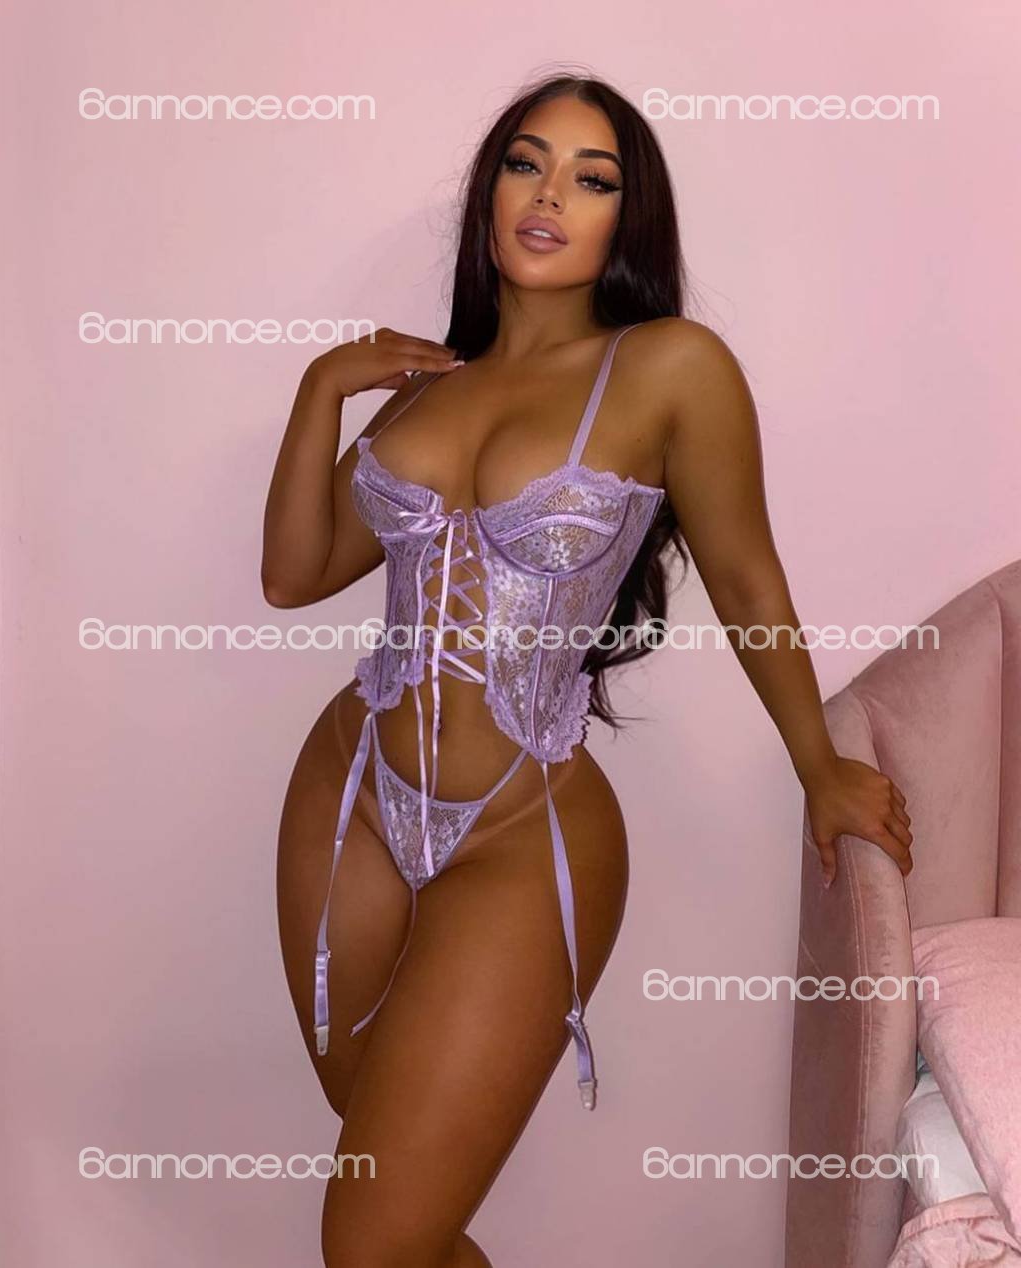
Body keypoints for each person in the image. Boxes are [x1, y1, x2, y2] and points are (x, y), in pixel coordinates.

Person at [262, 71, 913, 1268]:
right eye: (526, 161)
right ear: (489, 193)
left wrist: (817, 764)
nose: (549, 192)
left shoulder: (669, 366)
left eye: (590, 176)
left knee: (368, 1239)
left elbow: (746, 577)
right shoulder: (426, 389)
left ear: (628, 216)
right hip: (347, 796)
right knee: (395, 1204)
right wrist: (319, 390)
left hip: (525, 829)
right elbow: (294, 573)